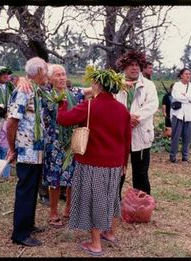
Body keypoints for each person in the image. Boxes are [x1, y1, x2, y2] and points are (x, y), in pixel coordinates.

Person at [57, 67, 131, 256]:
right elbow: (126, 139)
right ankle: (110, 233)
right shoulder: (123, 109)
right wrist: (124, 163)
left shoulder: (89, 106)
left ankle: (96, 244)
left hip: (92, 162)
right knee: (112, 197)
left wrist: (63, 104)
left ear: (97, 85)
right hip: (115, 163)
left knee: (93, 201)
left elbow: (64, 119)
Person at [6, 57, 48, 247]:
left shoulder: (35, 89)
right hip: (27, 150)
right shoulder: (23, 91)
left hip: (36, 150)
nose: (47, 74)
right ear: (39, 71)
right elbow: (11, 123)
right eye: (45, 71)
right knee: (26, 190)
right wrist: (12, 148)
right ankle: (20, 234)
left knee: (32, 190)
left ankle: (28, 224)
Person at [43, 64, 86, 228]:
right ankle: (53, 212)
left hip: (71, 141)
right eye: (57, 75)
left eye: (63, 74)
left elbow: (90, 91)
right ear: (50, 78)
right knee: (55, 178)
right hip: (54, 142)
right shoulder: (46, 95)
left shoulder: (74, 93)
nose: (61, 77)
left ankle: (69, 208)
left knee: (72, 175)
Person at [115, 50, 159, 196]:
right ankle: (114, 203)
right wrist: (126, 118)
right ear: (124, 67)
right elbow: (111, 105)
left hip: (141, 133)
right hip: (119, 133)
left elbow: (152, 105)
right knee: (117, 169)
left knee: (140, 171)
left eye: (137, 65)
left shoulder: (148, 85)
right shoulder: (115, 84)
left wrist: (135, 118)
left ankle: (142, 202)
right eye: (130, 65)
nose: (134, 68)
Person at [169, 68, 191, 163]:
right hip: (178, 114)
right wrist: (188, 98)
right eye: (186, 74)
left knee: (187, 137)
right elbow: (176, 97)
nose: (188, 76)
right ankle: (173, 156)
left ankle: (185, 157)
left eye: (189, 74)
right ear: (181, 75)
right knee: (175, 137)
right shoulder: (176, 85)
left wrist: (185, 95)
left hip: (189, 115)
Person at [0, 107, 11, 180]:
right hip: (5, 145)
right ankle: (6, 176)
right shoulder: (6, 123)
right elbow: (8, 133)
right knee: (6, 160)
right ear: (6, 114)